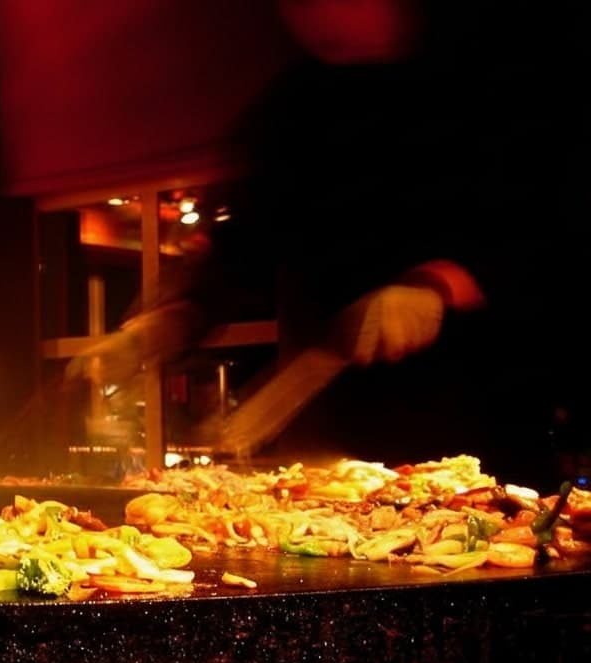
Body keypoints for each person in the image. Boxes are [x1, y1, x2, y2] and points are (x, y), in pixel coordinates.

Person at [71, 0, 588, 492]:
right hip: (330, 436)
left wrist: (440, 284)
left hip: (481, 422)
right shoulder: (292, 106)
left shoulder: (501, 74)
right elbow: (244, 242)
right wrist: (175, 316)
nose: (311, 15)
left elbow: (543, 232)